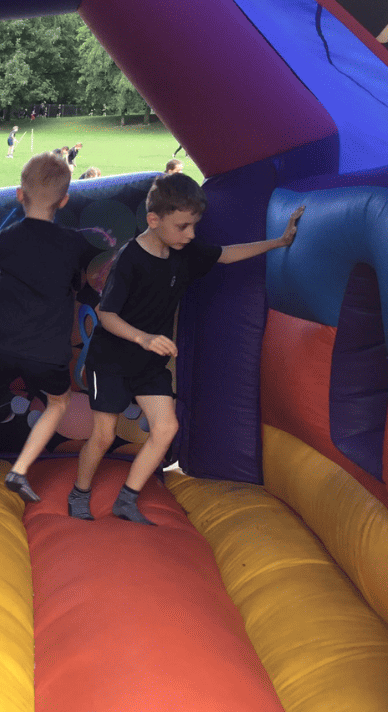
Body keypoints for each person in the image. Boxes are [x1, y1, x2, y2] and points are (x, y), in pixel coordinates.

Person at [69, 173, 304, 524]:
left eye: (194, 226)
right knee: (103, 435)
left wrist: (279, 242)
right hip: (113, 359)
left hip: (148, 363)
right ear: (154, 220)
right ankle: (79, 493)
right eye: (183, 227)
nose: (191, 235)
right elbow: (106, 315)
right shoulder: (130, 259)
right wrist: (144, 338)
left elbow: (225, 255)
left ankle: (127, 499)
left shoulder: (185, 252)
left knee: (166, 429)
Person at [0, 152, 98, 509]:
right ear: (64, 201)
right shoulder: (74, 243)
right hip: (49, 353)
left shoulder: (8, 237)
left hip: (0, 346)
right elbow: (86, 280)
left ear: (18, 194)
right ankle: (20, 468)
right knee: (58, 402)